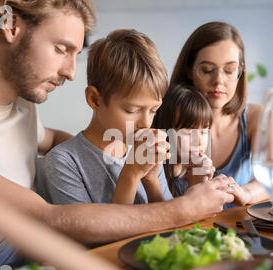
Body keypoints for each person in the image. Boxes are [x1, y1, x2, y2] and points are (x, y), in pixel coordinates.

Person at [0, 1, 235, 270]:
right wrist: (184, 208)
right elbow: (48, 218)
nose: (71, 72)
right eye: (61, 49)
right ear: (10, 25)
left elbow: (47, 139)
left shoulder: (21, 102)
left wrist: (103, 152)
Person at [40, 29, 174, 205]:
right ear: (95, 99)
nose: (146, 123)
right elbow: (94, 232)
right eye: (132, 110)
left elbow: (170, 222)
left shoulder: (146, 151)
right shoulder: (64, 162)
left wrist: (151, 181)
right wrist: (131, 174)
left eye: (153, 110)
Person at [170, 21, 273, 207]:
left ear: (240, 72)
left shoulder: (259, 118)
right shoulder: (165, 116)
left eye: (229, 70)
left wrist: (244, 193)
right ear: (188, 70)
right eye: (207, 70)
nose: (218, 81)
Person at [152, 83, 215, 197]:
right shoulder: (154, 176)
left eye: (204, 131)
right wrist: (195, 188)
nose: (199, 142)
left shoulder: (200, 171)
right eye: (189, 132)